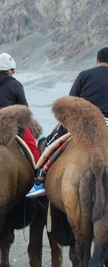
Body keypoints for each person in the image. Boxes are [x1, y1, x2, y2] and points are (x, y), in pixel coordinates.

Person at [27, 46, 108, 197]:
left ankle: (40, 179)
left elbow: (71, 101)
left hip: (84, 123)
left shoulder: (85, 75)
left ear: (97, 60)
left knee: (51, 141)